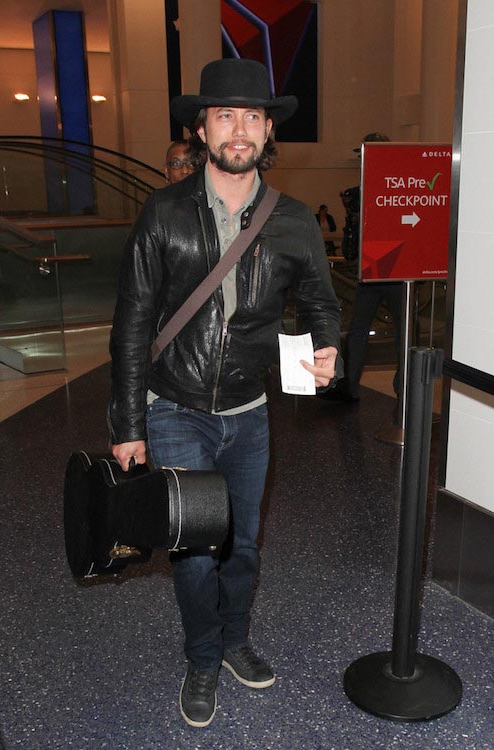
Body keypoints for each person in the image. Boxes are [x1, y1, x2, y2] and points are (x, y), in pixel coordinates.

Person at [108, 58, 341, 728]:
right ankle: (204, 657)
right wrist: (129, 424)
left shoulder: (292, 219)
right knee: (193, 547)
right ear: (202, 128)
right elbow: (131, 325)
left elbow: (323, 304)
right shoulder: (164, 211)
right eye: (223, 115)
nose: (237, 129)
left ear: (268, 130)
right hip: (176, 407)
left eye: (250, 117)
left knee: (241, 544)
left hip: (249, 412)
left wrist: (327, 345)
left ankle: (235, 639)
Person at [322, 132, 402, 403]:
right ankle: (351, 386)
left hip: (393, 268)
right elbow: (352, 232)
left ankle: (402, 385)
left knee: (400, 331)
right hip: (371, 269)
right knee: (358, 329)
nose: (362, 159)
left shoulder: (397, 187)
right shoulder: (358, 192)